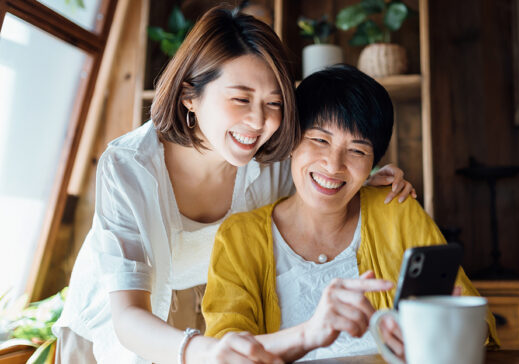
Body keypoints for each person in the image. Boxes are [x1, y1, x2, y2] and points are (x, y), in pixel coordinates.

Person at [52, 6, 415, 364]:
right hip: (119, 323)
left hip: (212, 317)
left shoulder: (270, 163)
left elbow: (323, 174)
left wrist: (367, 181)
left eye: (273, 103)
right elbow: (128, 318)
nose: (259, 121)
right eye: (241, 99)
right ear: (189, 95)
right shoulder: (128, 166)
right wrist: (204, 349)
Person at [202, 65, 500, 363]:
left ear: (373, 161)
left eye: (357, 151)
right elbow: (224, 350)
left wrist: (447, 327)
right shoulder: (239, 237)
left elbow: (478, 318)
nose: (333, 166)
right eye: (320, 140)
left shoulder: (396, 212)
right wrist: (308, 333)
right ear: (291, 140)